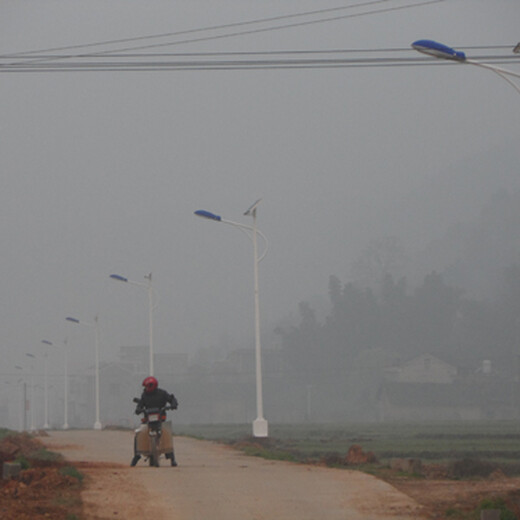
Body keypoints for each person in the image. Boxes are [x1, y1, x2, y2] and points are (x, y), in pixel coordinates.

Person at [132, 376, 179, 466]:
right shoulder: (144, 395)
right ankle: (136, 456)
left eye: (147, 387)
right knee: (139, 434)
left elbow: (171, 399)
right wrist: (138, 409)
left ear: (152, 386)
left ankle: (172, 458)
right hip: (148, 418)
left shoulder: (162, 393)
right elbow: (140, 404)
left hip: (160, 417)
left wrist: (173, 404)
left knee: (167, 433)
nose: (145, 389)